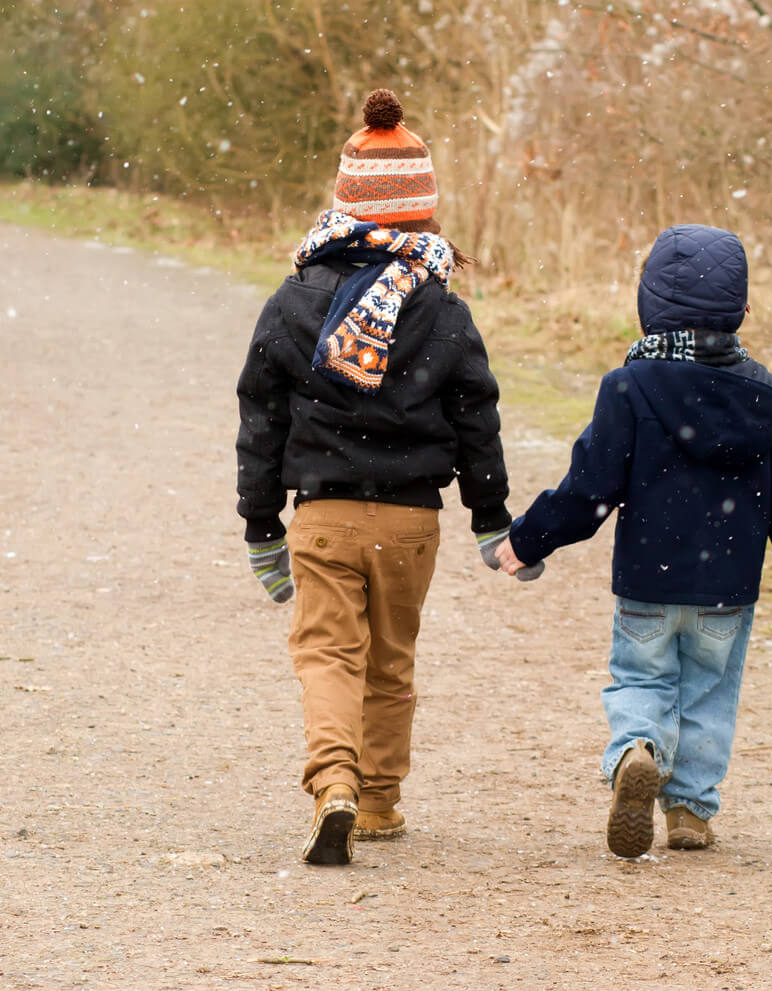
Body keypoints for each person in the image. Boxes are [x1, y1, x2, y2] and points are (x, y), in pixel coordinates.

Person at [236, 88, 537, 866]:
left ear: (343, 204)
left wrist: (261, 523)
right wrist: (490, 514)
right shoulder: (441, 309)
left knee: (328, 652)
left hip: (324, 515)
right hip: (410, 522)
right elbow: (478, 418)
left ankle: (333, 780)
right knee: (390, 658)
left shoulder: (295, 301)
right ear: (423, 213)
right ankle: (377, 804)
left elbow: (261, 418)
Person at [494, 223, 772, 858]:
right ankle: (690, 813)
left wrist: (528, 540)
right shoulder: (765, 398)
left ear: (647, 306)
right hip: (726, 589)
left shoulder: (630, 387)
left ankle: (636, 751)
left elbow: (589, 488)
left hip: (648, 580)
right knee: (708, 691)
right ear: (742, 310)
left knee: (641, 680)